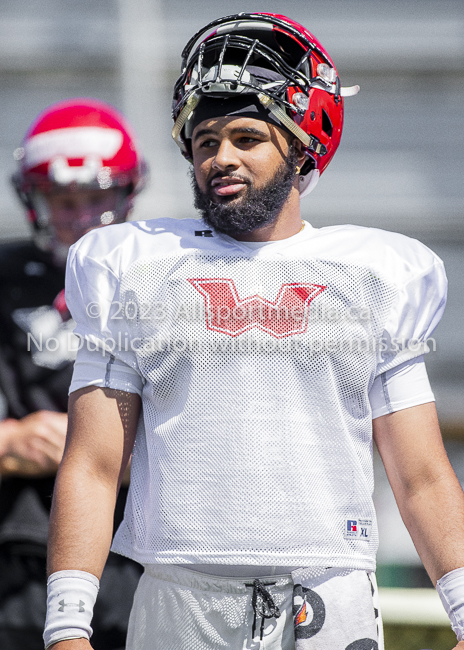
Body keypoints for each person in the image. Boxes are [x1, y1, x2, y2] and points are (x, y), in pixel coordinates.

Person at [44, 14, 464, 650]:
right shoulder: (132, 267)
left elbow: (421, 473)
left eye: (247, 136)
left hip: (328, 592)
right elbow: (94, 463)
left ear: (302, 149)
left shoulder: (374, 274)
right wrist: (67, 624)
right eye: (207, 139)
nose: (222, 157)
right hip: (177, 595)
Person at [0, 98, 147, 649]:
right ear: (35, 199)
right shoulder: (4, 279)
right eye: (64, 199)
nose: (82, 216)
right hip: (17, 564)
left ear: (126, 192)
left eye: (97, 197)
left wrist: (140, 453)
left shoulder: (168, 279)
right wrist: (11, 440)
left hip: (141, 560)